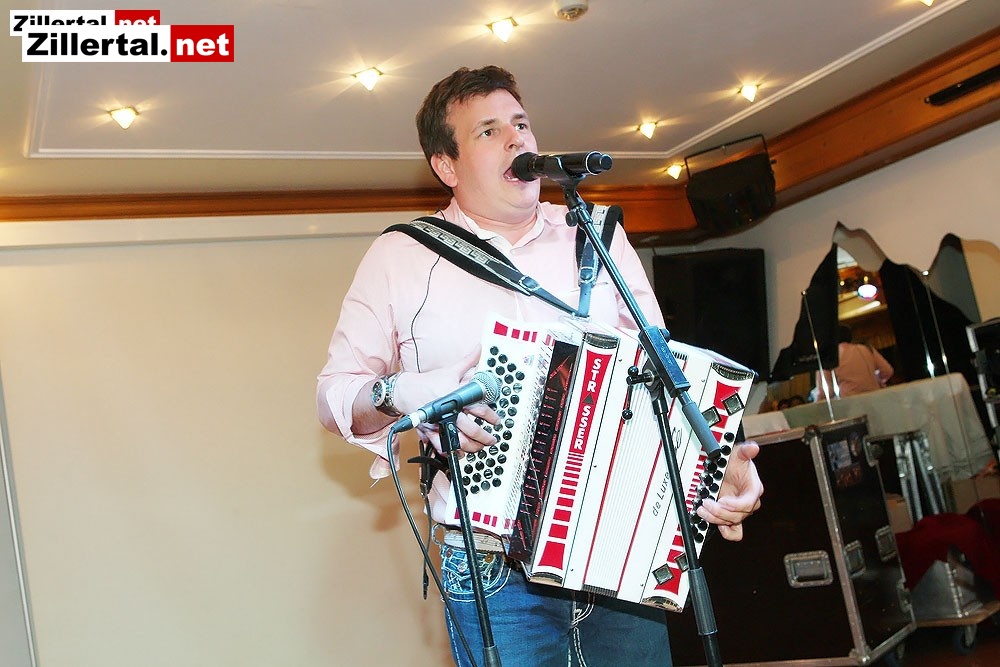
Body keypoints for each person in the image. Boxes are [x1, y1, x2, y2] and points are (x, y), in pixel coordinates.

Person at [317, 65, 764, 667]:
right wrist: (412, 391)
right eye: (489, 131)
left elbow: (662, 370)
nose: (516, 139)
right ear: (446, 166)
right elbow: (335, 396)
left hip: (614, 541)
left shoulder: (596, 235)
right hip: (491, 563)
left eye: (521, 124)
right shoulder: (401, 256)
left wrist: (721, 460)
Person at [815, 324, 894, 399]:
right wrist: (876, 379)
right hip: (874, 398)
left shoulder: (829, 356)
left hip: (850, 402)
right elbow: (887, 371)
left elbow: (825, 392)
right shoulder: (865, 349)